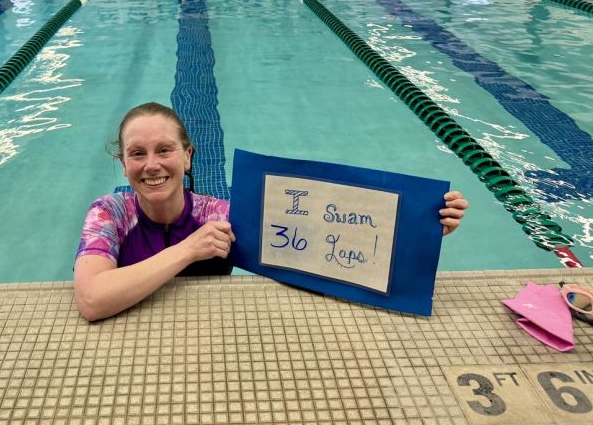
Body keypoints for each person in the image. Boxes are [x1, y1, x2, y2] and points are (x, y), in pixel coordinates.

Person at [74, 102, 469, 321]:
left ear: (187, 156)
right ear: (124, 163)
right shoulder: (109, 214)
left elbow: (323, 248)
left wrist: (418, 226)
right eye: (137, 154)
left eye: (164, 150)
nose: (151, 165)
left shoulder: (221, 215)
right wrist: (188, 250)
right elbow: (92, 300)